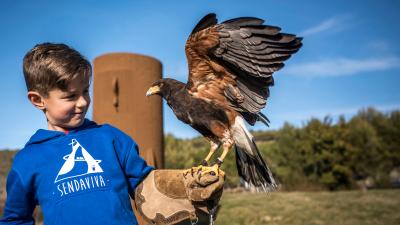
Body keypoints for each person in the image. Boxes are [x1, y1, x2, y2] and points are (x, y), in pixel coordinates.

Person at [0, 43, 155, 225]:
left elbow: (149, 188)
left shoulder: (111, 139)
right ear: (38, 100)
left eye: (85, 91)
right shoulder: (28, 160)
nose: (82, 102)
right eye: (70, 96)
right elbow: (15, 219)